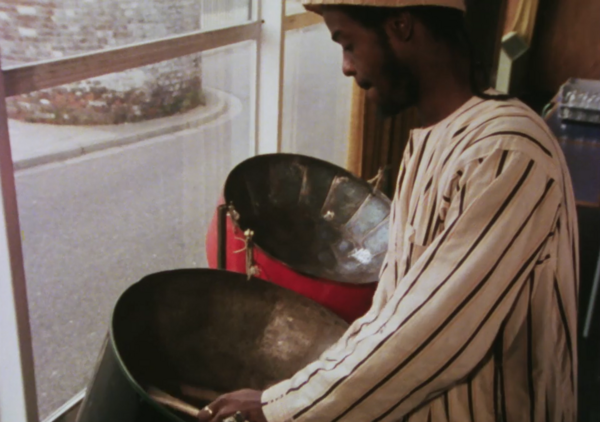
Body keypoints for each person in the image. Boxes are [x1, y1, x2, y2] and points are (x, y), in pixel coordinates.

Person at [198, 0, 579, 421]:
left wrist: (281, 406)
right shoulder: (433, 141)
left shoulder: (506, 152)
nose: (345, 66)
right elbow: (394, 312)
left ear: (401, 26)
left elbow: (431, 334)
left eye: (348, 43)